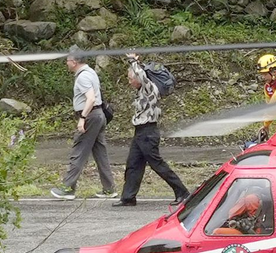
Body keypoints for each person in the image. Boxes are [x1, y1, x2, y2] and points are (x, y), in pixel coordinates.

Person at [114, 54, 188, 207]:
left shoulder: (149, 88)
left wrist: (133, 61)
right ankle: (128, 197)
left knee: (158, 165)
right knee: (133, 164)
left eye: (130, 79)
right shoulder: (142, 90)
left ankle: (182, 192)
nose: (129, 82)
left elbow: (141, 74)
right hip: (140, 132)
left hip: (148, 132)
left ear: (138, 78)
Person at [50, 46, 116, 200]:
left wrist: (82, 118)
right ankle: (109, 188)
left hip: (91, 116)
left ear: (74, 61)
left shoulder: (83, 77)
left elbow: (91, 98)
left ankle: (67, 188)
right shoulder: (90, 72)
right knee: (100, 153)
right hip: (98, 115)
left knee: (78, 151)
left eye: (67, 60)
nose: (66, 63)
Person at [256, 54, 276, 141]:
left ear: (274, 71)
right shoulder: (267, 87)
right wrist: (266, 126)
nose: (263, 77)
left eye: (265, 74)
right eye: (261, 74)